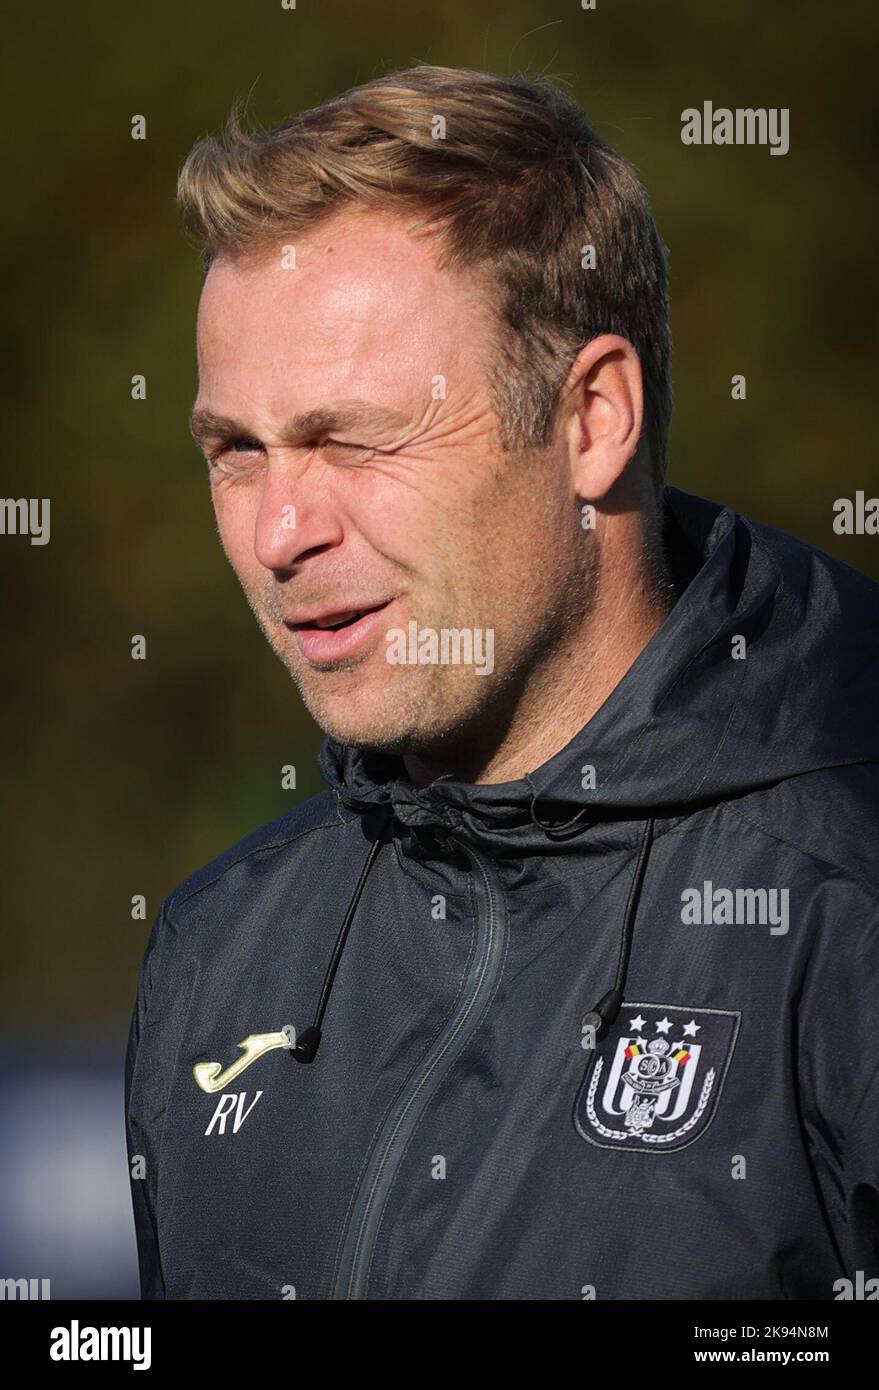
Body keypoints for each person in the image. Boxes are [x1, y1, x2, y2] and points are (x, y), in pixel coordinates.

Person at [124, 64, 879, 1300]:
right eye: (236, 452)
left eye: (352, 438)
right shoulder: (222, 954)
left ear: (592, 420)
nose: (279, 532)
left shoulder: (843, 904)